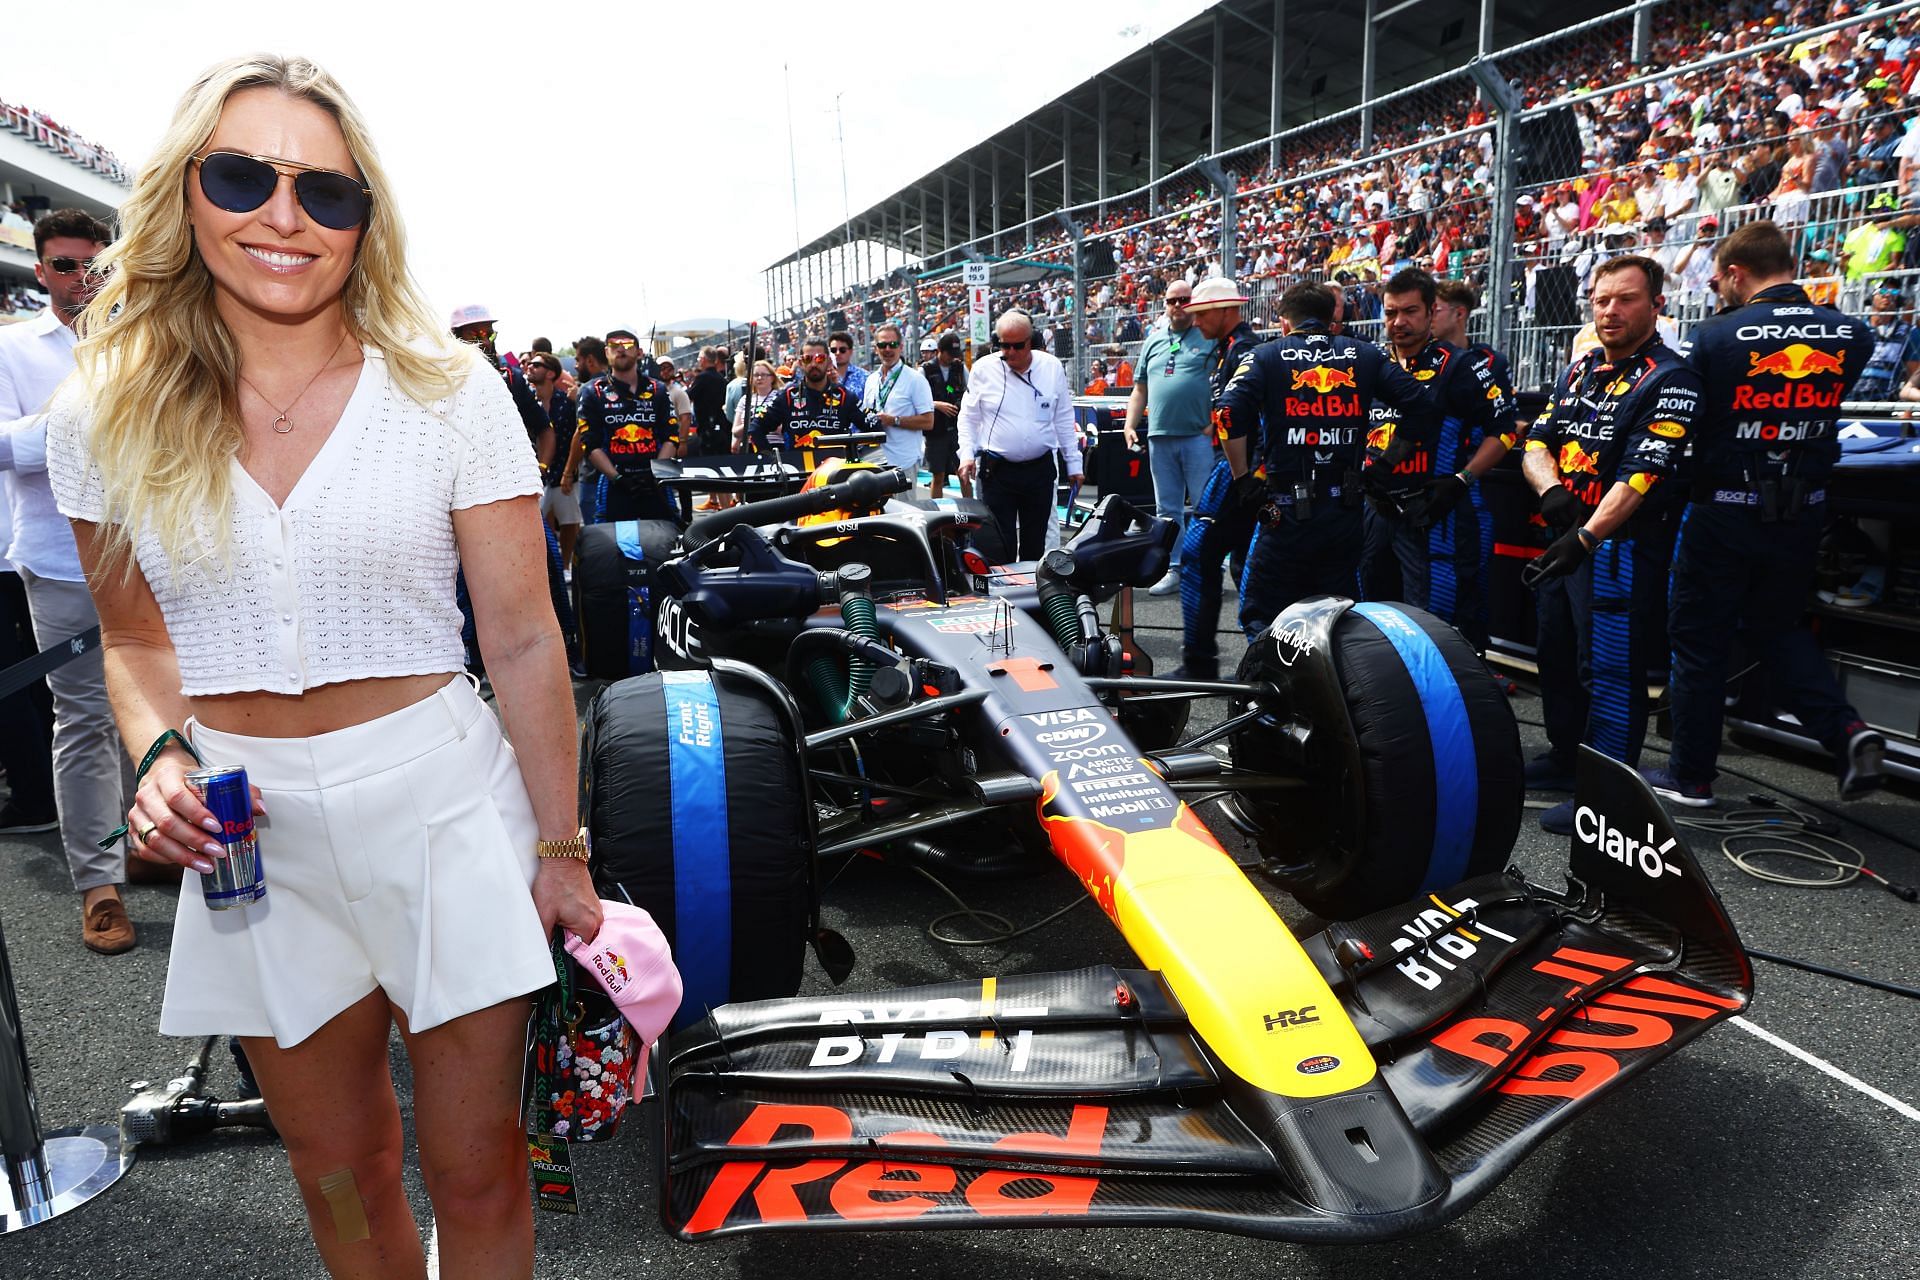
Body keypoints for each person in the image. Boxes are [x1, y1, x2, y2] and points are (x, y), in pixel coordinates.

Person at [44, 55, 598, 1276]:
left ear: (366, 219)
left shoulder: (447, 386)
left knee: (481, 1165)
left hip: (445, 800)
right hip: (250, 833)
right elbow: (134, 640)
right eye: (244, 175)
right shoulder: (104, 408)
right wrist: (159, 753)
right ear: (187, 191)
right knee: (336, 1174)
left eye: (327, 193)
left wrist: (562, 850)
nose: (284, 216)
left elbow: (520, 637)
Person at [1654, 220, 1884, 808]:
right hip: (1800, 513)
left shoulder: (1714, 336)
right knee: (1779, 629)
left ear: (1736, 273)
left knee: (1699, 640)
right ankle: (1847, 732)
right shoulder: (1850, 333)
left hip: (1724, 510)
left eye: (1718, 277)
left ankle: (1691, 777)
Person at [1522, 255, 1700, 834]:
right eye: (1601, 300)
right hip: (1564, 538)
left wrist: (1589, 534)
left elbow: (1643, 476)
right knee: (1554, 652)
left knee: (1610, 669)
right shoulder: (1580, 369)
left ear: (1656, 307)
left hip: (1617, 548)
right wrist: (1551, 490)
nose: (1611, 310)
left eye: (1625, 299)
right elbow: (1536, 443)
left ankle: (1608, 796)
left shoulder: (1672, 379)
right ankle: (1567, 756)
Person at [0, 207, 136, 953]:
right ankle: (98, 884)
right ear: (39, 269)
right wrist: (68, 421)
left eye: (94, 264)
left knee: (150, 708)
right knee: (83, 718)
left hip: (152, 554)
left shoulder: (143, 340)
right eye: (64, 265)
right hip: (60, 559)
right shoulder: (16, 350)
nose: (81, 279)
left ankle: (140, 843)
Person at [1216, 282, 1434, 638]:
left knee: (1264, 617)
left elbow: (1227, 413)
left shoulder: (1266, 355)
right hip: (1344, 513)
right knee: (1338, 618)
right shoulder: (1366, 354)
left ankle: (1273, 689)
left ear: (1285, 322)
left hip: (1285, 512)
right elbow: (1422, 407)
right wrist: (1382, 466)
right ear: (1333, 318)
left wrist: (1242, 478)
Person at [1361, 268, 1517, 650]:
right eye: (1391, 312)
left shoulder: (1461, 365)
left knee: (1432, 623)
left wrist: (1462, 479)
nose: (1399, 322)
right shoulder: (1369, 363)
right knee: (1370, 614)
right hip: (1372, 510)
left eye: (1410, 311)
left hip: (1431, 513)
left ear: (1432, 312)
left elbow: (1506, 431)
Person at [1165, 277, 1261, 681]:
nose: (1196, 321)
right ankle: (1257, 662)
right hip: (1246, 467)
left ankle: (1202, 663)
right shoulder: (1230, 350)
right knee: (1243, 565)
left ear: (1226, 311)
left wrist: (1243, 473)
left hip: (1244, 469)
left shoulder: (1246, 351)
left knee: (1200, 554)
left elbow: (1244, 417)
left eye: (1202, 313)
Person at [957, 309, 1084, 561]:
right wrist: (966, 455)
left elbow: (1063, 418)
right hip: (997, 470)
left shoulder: (1051, 368)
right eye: (1004, 345)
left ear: (1031, 342)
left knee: (1035, 544)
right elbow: (968, 417)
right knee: (998, 543)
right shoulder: (983, 369)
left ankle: (1033, 595)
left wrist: (1074, 463)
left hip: (1039, 470)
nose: (1011, 352)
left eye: (1017, 346)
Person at [1123, 278, 1213, 597]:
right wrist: (1130, 424)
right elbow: (1140, 389)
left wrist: (1215, 418)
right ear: (1164, 305)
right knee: (1167, 508)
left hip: (1197, 436)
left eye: (1183, 299)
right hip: (1160, 436)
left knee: (1205, 505)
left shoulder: (1208, 338)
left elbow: (1227, 379)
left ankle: (1204, 566)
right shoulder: (1154, 340)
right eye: (1172, 300)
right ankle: (1173, 568)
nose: (1177, 306)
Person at [580, 328, 680, 522]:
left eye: (626, 345)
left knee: (666, 541)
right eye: (614, 346)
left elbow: (671, 436)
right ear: (606, 353)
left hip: (655, 481)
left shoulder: (657, 389)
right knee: (616, 545)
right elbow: (590, 444)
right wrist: (616, 477)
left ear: (639, 352)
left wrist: (655, 474)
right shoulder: (593, 392)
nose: (620, 349)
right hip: (616, 483)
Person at [752, 337, 866, 449]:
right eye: (807, 359)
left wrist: (857, 454)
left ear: (829, 361)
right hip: (799, 466)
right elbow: (755, 427)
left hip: (835, 465)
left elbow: (875, 427)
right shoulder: (787, 395)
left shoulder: (844, 396)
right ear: (801, 363)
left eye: (819, 358)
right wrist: (771, 458)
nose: (813, 364)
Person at [527, 352, 581, 568]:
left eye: (536, 365)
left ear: (550, 373)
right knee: (537, 524)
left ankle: (566, 566)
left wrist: (569, 471)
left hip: (562, 474)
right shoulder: (528, 403)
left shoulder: (566, 403)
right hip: (536, 477)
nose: (529, 367)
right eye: (529, 364)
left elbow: (577, 439)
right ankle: (547, 567)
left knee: (569, 522)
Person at [861, 323, 934, 481]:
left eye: (892, 344)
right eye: (882, 345)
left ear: (901, 347)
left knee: (903, 506)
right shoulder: (871, 380)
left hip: (902, 462)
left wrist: (894, 420)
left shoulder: (915, 379)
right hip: (873, 461)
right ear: (876, 348)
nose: (887, 349)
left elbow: (928, 422)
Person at [561, 335, 608, 522]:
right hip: (620, 474)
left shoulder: (588, 390)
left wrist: (567, 472)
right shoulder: (623, 384)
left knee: (598, 538)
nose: (575, 366)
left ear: (590, 360)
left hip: (594, 477)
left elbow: (580, 434)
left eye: (577, 360)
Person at [1849, 282, 1920, 402]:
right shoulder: (1856, 328)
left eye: (1894, 292)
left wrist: (1907, 411)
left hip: (1885, 400)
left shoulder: (1909, 332)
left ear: (1898, 299)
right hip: (1849, 398)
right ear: (1871, 297)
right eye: (1882, 291)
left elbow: (1912, 374)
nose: (1887, 295)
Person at [921, 332, 969, 498]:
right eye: (949, 354)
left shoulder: (960, 368)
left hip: (957, 428)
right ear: (939, 350)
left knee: (964, 474)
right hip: (936, 431)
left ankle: (971, 512)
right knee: (938, 476)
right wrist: (936, 405)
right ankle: (936, 512)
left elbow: (970, 392)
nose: (952, 358)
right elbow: (918, 400)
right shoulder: (925, 371)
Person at [687, 345, 730, 457]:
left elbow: (689, 396)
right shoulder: (722, 379)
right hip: (721, 424)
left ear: (703, 360)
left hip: (705, 425)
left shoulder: (702, 378)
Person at [654, 356, 696, 441]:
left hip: (673, 440)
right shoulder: (650, 392)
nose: (666, 371)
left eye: (669, 369)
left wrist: (682, 441)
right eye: (662, 368)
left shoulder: (679, 393)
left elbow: (686, 418)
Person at [828, 329, 867, 400]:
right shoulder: (824, 378)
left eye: (842, 350)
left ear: (851, 351)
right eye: (833, 350)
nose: (837, 353)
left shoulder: (864, 377)